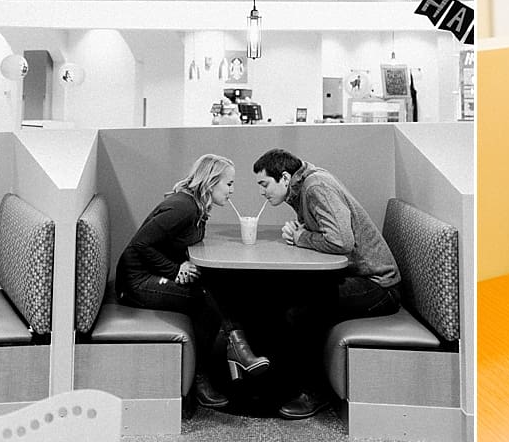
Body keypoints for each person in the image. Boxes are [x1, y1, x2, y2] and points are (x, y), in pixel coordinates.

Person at [253, 148, 401, 419]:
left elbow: (340, 241)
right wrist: (301, 232)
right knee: (278, 295)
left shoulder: (316, 186)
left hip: (378, 286)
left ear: (284, 177)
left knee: (300, 312)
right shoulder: (302, 187)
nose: (262, 192)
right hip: (356, 276)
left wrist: (300, 238)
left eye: (264, 184)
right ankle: (276, 383)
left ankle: (315, 392)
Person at [115, 153, 269, 410]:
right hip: (137, 283)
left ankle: (237, 350)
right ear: (210, 182)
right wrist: (174, 270)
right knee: (203, 303)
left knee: (218, 287)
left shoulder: (196, 206)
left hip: (154, 274)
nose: (232, 190)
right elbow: (139, 245)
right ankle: (202, 376)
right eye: (229, 183)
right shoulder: (182, 207)